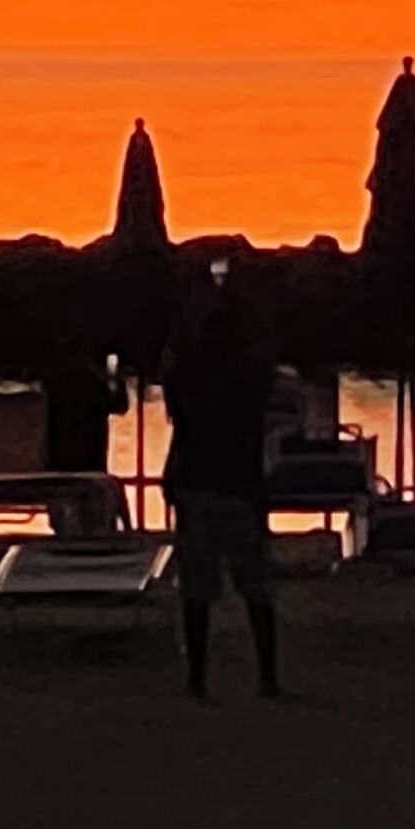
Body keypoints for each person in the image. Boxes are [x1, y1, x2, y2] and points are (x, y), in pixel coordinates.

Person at [160, 284, 282, 701]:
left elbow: (175, 403)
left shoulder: (188, 379)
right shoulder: (251, 381)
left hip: (197, 484)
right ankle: (267, 677)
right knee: (255, 586)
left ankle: (197, 679)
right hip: (241, 488)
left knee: (197, 589)